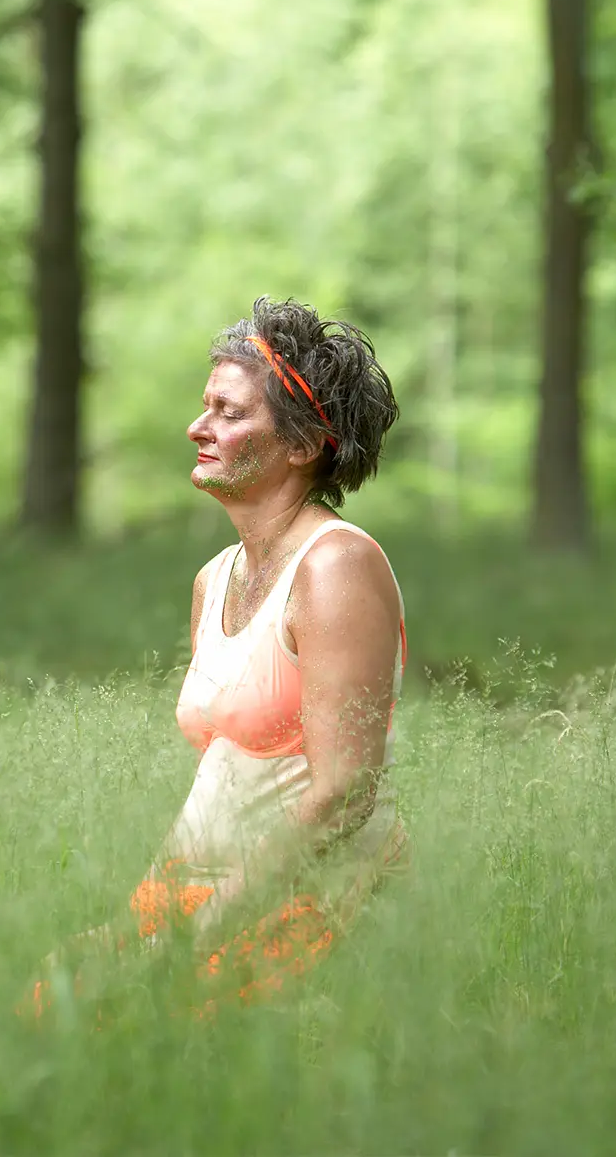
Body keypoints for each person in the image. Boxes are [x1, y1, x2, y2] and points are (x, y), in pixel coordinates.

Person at [32, 297, 407, 1018]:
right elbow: (221, 781)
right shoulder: (215, 577)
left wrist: (189, 942)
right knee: (55, 1001)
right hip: (200, 897)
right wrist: (134, 924)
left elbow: (343, 794)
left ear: (303, 445)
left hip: (312, 901)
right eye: (206, 406)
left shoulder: (336, 568)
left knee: (132, 1034)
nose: (197, 427)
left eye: (228, 413)